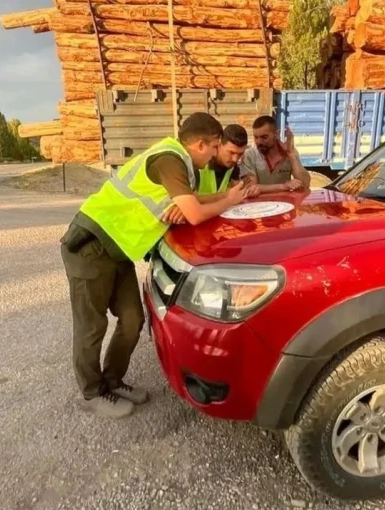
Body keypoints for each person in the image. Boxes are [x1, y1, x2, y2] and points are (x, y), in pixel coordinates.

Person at [59, 112, 248, 419]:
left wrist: (225, 195)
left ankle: (112, 381)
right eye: (215, 147)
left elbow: (194, 202)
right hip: (90, 246)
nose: (216, 154)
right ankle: (91, 393)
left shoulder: (182, 164)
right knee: (91, 327)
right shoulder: (170, 160)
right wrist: (226, 202)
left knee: (132, 319)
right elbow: (196, 213)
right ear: (202, 144)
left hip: (117, 250)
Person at [240, 115, 311, 196]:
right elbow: (252, 188)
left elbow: (305, 184)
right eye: (256, 137)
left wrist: (291, 155)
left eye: (264, 137)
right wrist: (283, 186)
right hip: (259, 205)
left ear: (276, 134)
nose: (259, 141)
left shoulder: (289, 152)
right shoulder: (249, 155)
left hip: (285, 204)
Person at [197, 124, 247, 197]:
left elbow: (238, 191)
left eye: (240, 154)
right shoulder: (199, 163)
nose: (235, 159)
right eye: (231, 152)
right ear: (219, 145)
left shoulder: (233, 165)